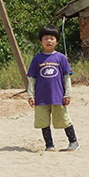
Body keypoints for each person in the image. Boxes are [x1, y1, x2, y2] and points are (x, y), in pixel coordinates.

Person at [27, 24, 80, 152]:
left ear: (56, 41)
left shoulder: (61, 58)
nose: (49, 41)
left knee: (63, 119)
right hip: (41, 97)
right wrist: (30, 95)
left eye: (52, 38)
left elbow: (67, 77)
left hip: (58, 96)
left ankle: (73, 142)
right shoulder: (37, 59)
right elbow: (32, 79)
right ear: (41, 41)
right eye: (45, 38)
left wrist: (68, 94)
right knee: (43, 121)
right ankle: (49, 145)